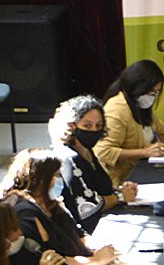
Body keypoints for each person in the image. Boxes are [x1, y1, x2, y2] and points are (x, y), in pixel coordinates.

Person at [0, 148, 116, 265]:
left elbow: (79, 234)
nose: (59, 180)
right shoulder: (23, 212)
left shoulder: (51, 204)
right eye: (56, 175)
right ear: (41, 179)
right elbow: (53, 263)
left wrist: (100, 249)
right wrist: (98, 261)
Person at [49, 95, 136, 233]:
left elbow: (96, 185)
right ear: (72, 126)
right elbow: (88, 206)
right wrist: (120, 197)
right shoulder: (70, 159)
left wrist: (121, 190)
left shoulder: (87, 151)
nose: (94, 130)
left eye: (99, 125)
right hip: (89, 231)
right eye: (87, 125)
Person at [94, 59, 164, 184]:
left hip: (142, 170)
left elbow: (163, 133)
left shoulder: (140, 105)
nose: (153, 97)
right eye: (152, 92)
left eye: (157, 93)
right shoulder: (117, 110)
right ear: (138, 87)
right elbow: (103, 152)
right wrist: (143, 152)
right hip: (122, 179)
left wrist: (159, 147)